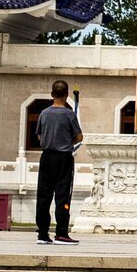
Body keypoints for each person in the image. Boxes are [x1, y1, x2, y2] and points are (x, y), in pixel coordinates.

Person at [33, 79, 82, 245]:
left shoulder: (44, 113)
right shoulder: (69, 114)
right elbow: (79, 137)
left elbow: (39, 135)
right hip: (63, 158)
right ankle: (61, 233)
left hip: (46, 157)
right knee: (62, 196)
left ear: (52, 94)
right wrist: (67, 141)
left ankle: (42, 234)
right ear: (67, 95)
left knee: (43, 196)